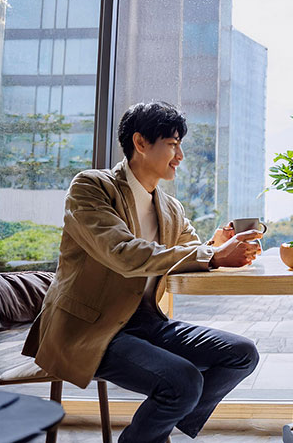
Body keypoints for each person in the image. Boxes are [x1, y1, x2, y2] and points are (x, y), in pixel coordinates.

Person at [23, 101, 262, 443]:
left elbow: (189, 253)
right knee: (183, 382)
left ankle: (161, 425)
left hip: (147, 322)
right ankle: (160, 422)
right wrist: (213, 254)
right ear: (140, 143)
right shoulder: (91, 188)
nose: (179, 156)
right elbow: (121, 253)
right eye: (172, 144)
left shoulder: (170, 208)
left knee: (241, 354)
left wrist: (216, 243)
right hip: (90, 328)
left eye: (180, 145)